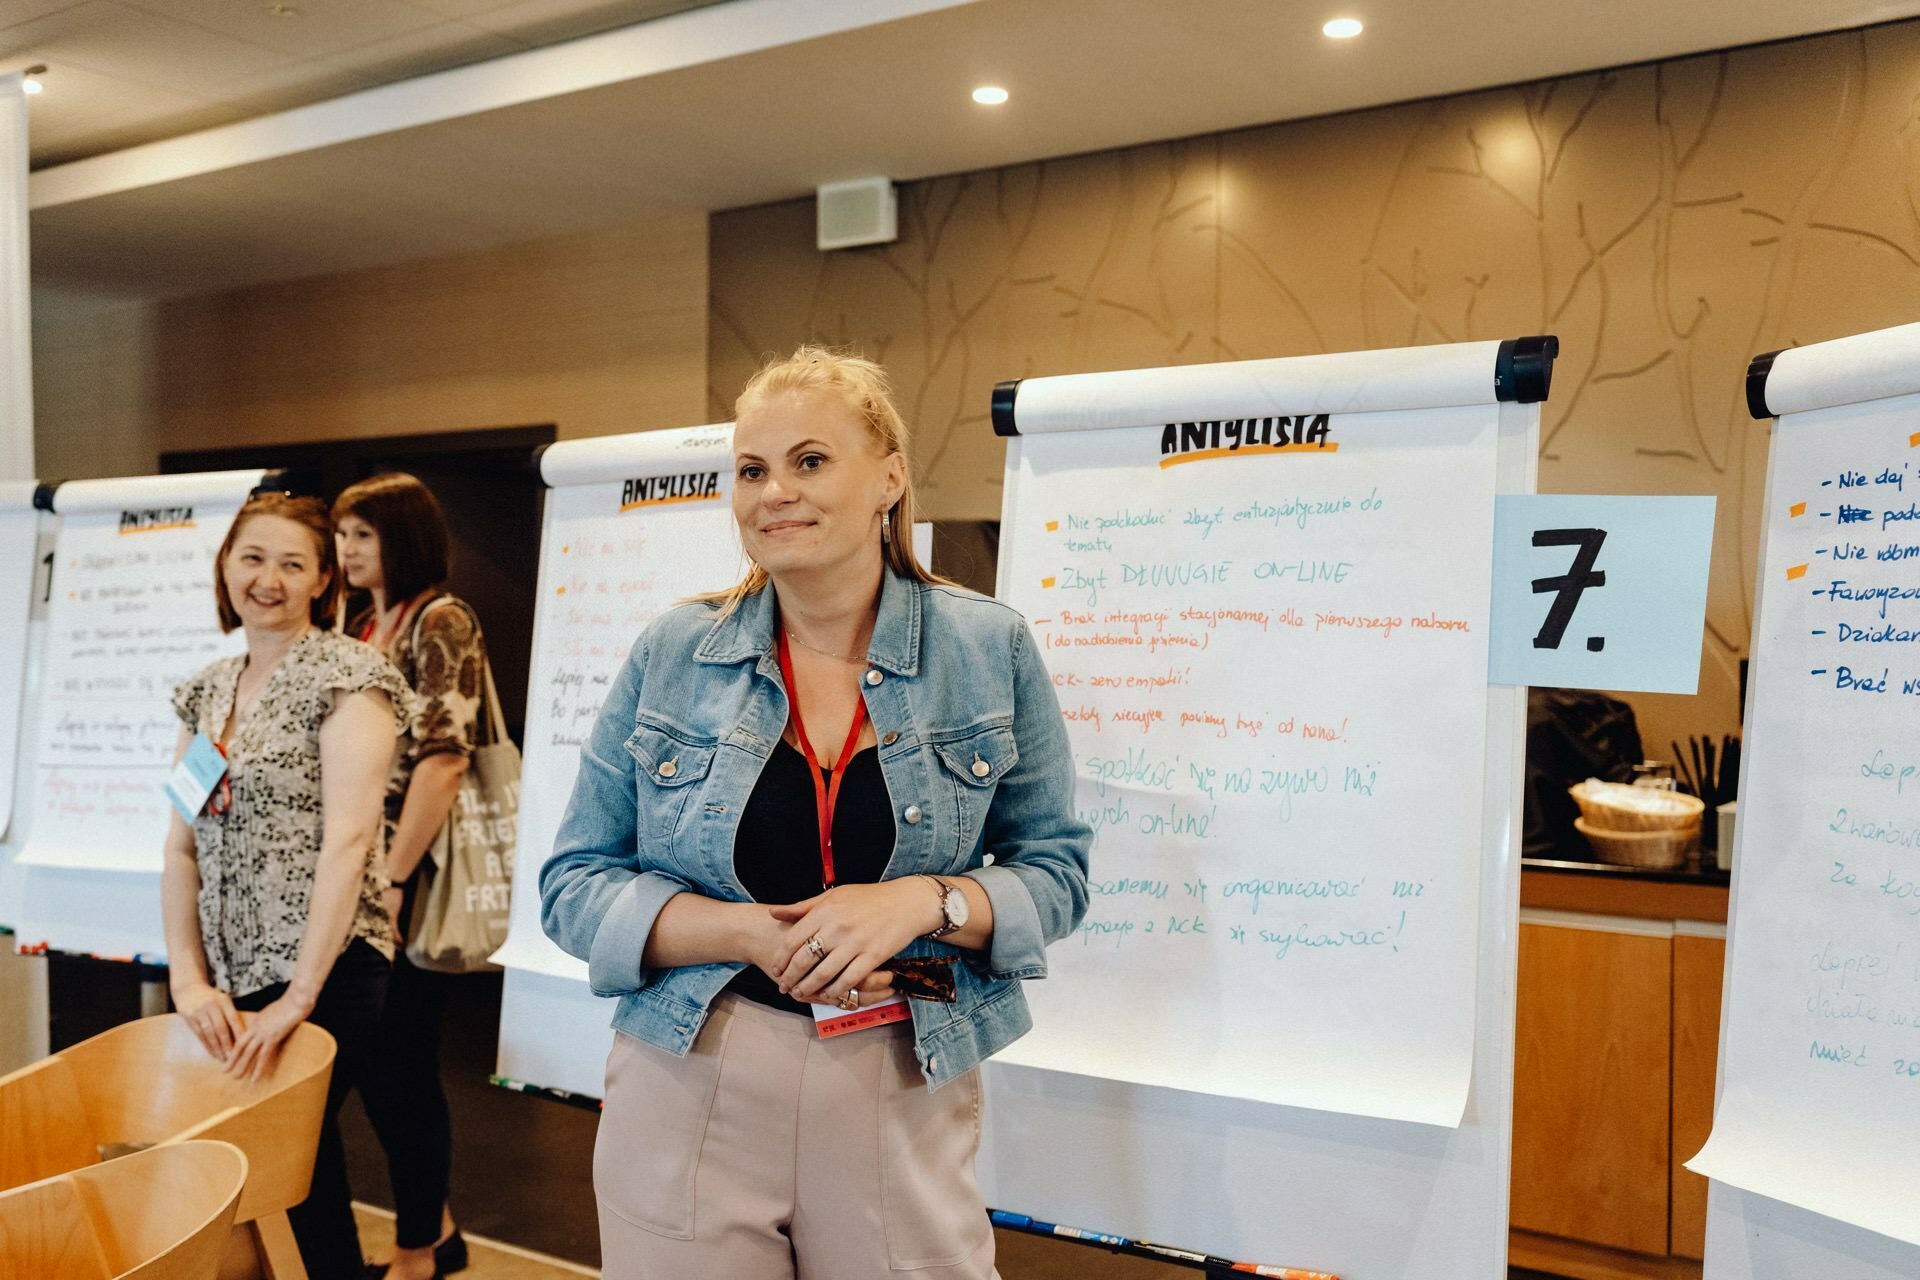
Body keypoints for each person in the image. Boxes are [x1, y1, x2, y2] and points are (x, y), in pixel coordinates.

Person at [540, 345, 1092, 1279]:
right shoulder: (676, 649)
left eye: (809, 461)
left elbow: (1055, 873)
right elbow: (573, 886)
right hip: (691, 1070)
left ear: (889, 479)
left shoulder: (988, 647)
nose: (773, 493)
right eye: (751, 470)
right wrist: (745, 934)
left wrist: (925, 901)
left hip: (903, 1064)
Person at [164, 492, 411, 1280]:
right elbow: (181, 848)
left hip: (328, 967)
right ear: (226, 566)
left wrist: (301, 994)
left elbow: (349, 837)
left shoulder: (349, 672)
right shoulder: (207, 688)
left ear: (322, 581)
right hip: (232, 974)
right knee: (299, 1175)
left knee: (276, 1165)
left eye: (292, 563)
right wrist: (187, 979)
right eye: (252, 557)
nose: (267, 579)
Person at [334, 473, 483, 1280]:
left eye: (362, 534)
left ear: (402, 536)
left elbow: (444, 760)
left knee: (399, 1065)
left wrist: (391, 881)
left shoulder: (441, 618)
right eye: (343, 534)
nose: (346, 550)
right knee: (384, 1065)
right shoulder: (364, 622)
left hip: (410, 872)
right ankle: (441, 1231)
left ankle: (417, 1251)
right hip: (365, 870)